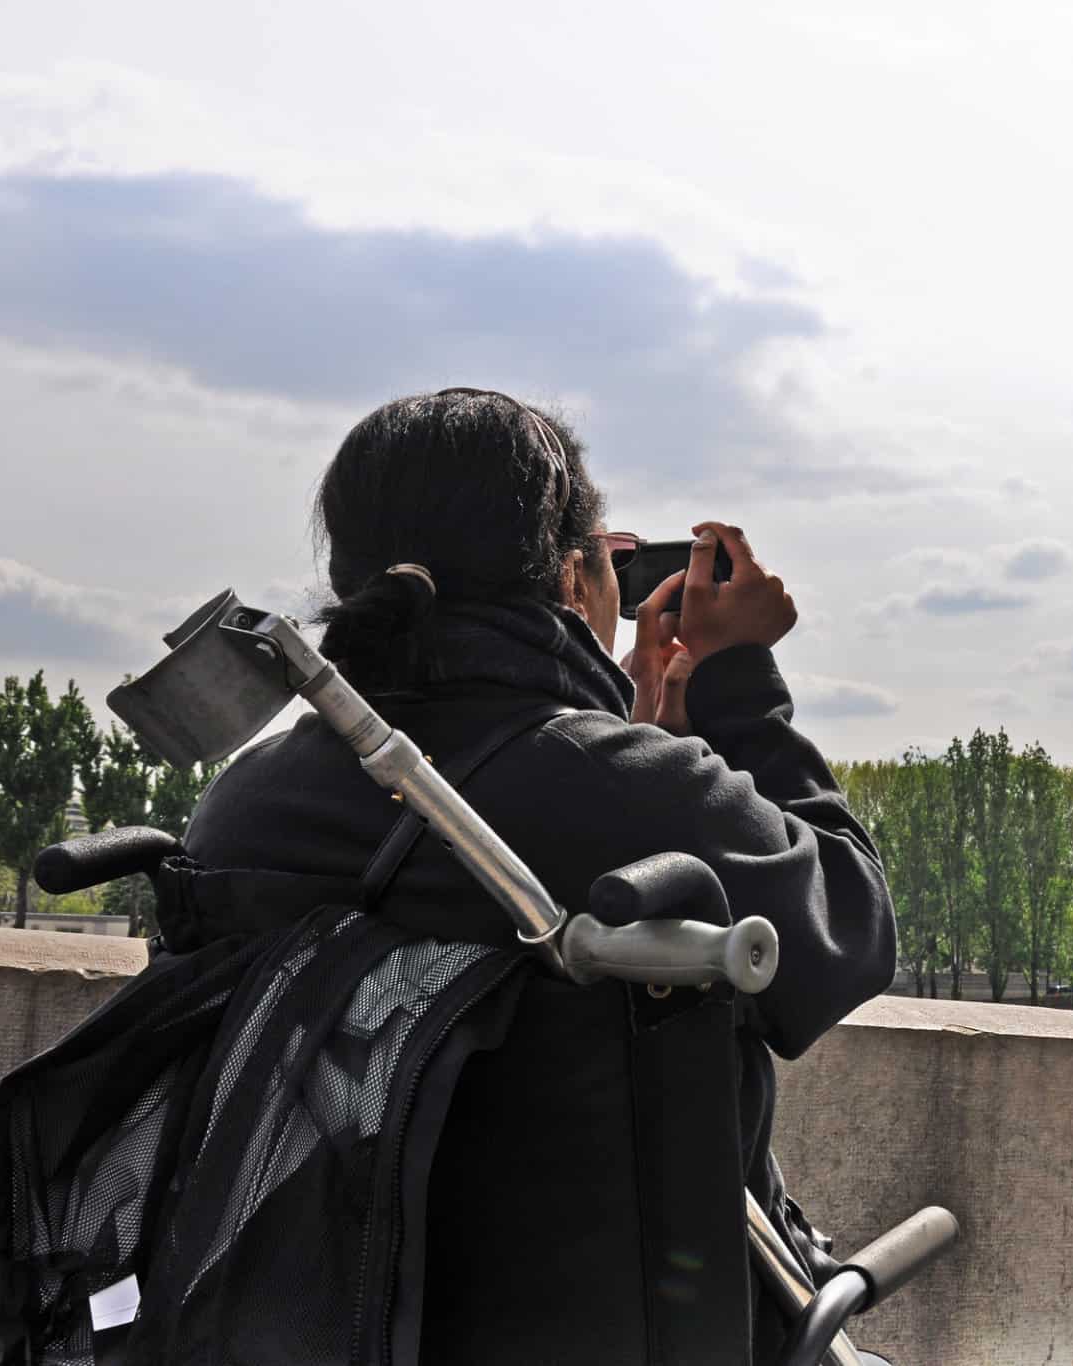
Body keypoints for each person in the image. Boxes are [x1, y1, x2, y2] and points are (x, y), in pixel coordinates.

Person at [178, 387, 896, 1362]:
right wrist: (739, 686)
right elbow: (846, 935)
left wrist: (634, 729)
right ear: (571, 580)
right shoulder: (632, 794)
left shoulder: (247, 799)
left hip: (318, 1326)